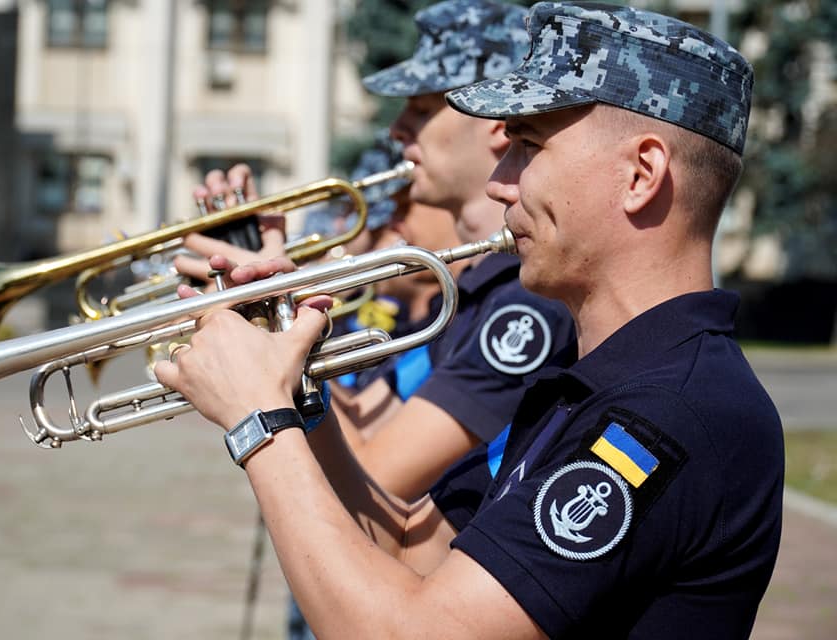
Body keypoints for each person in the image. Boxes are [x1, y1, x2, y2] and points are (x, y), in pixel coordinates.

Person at [154, 2, 784, 638]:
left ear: (641, 174)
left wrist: (259, 424)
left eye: (528, 147)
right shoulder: (596, 386)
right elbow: (403, 545)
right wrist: (292, 376)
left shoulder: (667, 414)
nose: (499, 184)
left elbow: (415, 632)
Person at [176, 0, 576, 502]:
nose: (397, 129)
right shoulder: (471, 290)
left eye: (423, 108)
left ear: (495, 121)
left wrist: (278, 318)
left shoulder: (525, 297)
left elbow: (372, 483)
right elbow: (356, 433)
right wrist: (270, 293)